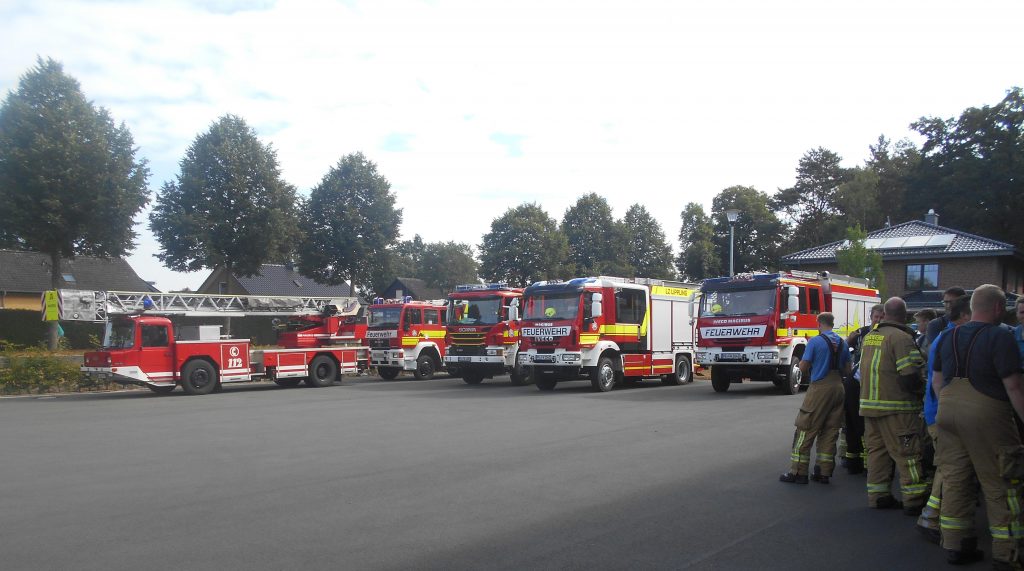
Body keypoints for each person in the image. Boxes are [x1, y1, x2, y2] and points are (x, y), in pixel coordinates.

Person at [933, 284, 1024, 567]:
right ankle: (1007, 553)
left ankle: (957, 545)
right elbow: (1014, 387)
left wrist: (948, 406)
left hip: (947, 411)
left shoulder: (948, 336)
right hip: (987, 413)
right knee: (1001, 482)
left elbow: (936, 380)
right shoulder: (1000, 337)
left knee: (956, 479)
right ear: (998, 308)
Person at [859, 297, 928, 514]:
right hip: (897, 408)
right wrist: (923, 390)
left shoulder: (871, 336)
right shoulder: (901, 338)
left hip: (870, 407)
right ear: (905, 315)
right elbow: (910, 376)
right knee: (907, 454)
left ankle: (879, 496)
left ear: (886, 314)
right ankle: (914, 499)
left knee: (876, 454)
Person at [915, 296, 971, 544]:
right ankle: (932, 518)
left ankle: (932, 515)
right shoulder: (950, 340)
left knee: (947, 467)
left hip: (939, 413)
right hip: (942, 415)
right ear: (965, 315)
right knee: (950, 469)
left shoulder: (948, 338)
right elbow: (942, 383)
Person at [780, 312, 851, 485]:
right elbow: (848, 370)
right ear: (832, 324)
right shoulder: (842, 342)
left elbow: (803, 367)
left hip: (820, 387)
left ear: (819, 323)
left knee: (805, 427)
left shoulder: (815, 341)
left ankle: (798, 472)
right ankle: (823, 472)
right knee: (830, 431)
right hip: (838, 387)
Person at [842, 303, 884, 474]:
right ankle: (853, 459)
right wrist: (849, 341)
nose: (879, 320)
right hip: (857, 380)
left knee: (865, 423)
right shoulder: (861, 333)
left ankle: (867, 461)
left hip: (872, 383)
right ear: (871, 317)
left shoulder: (886, 334)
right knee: (853, 421)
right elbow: (846, 352)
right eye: (876, 317)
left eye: (882, 317)